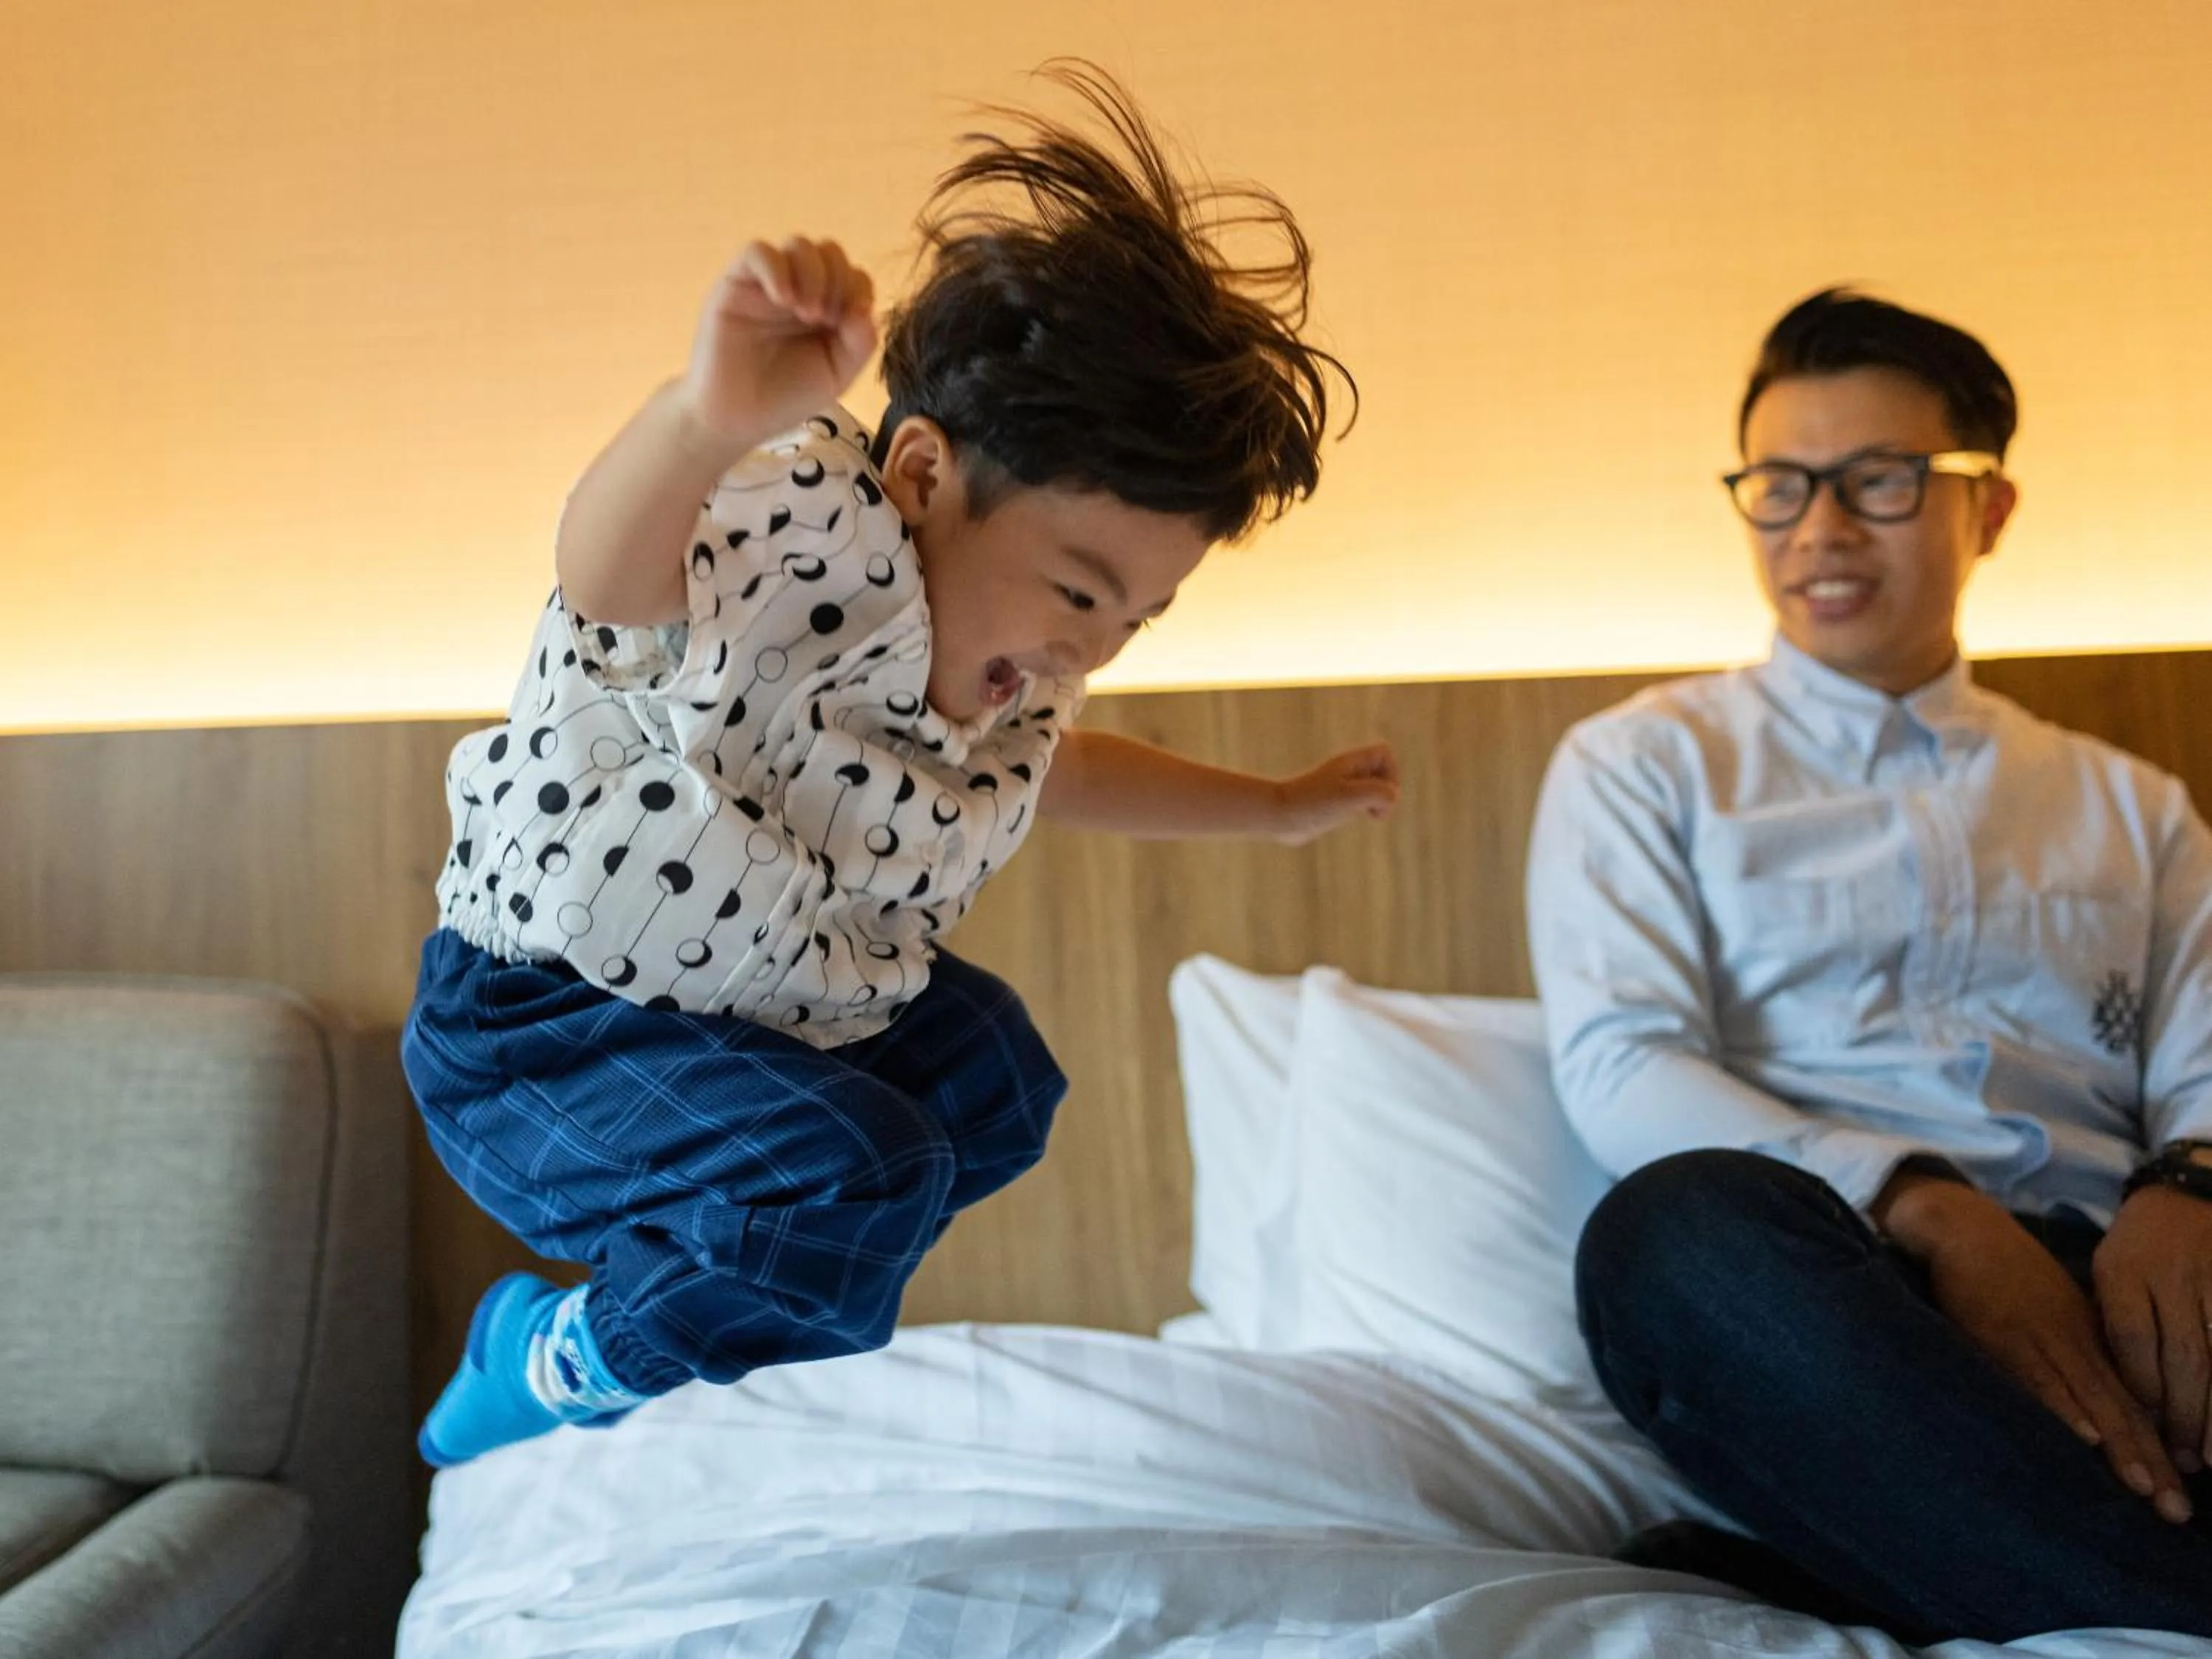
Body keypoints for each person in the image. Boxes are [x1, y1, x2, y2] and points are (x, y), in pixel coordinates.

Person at [401, 64, 1397, 1470]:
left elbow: (1077, 775)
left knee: (995, 1081)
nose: (1090, 651)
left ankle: (725, 1250)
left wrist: (1282, 811)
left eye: (1137, 617)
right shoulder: (799, 535)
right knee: (859, 1177)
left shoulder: (1001, 697)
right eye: (1077, 590)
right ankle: (557, 1358)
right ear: (922, 477)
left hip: (740, 1024)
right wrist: (704, 415)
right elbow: (601, 576)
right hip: (546, 1030)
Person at [1526, 288, 2212, 1641]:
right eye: (1778, 487)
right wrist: (1927, 1203)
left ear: (1989, 509)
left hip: (2132, 1275)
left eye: (1878, 482)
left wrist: (2188, 1185)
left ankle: (1872, 1567)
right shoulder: (1647, 766)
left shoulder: (2131, 805)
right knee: (1668, 1237)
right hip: (1845, 1300)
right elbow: (1621, 1061)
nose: (1818, 531)